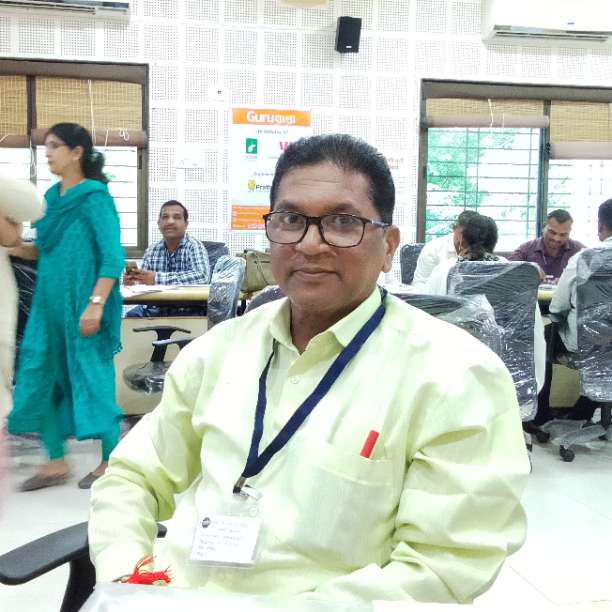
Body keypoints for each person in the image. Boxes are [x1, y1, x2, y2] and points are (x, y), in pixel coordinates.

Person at [89, 134, 529, 604]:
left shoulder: (457, 377)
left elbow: (440, 569)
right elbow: (131, 477)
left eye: (343, 222)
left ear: (388, 247)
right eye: (291, 220)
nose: (310, 244)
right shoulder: (219, 351)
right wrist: (129, 579)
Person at [8, 123, 125, 491]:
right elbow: (43, 251)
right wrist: (11, 244)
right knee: (39, 377)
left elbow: (113, 258)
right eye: (46, 146)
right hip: (47, 310)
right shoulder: (50, 199)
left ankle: (111, 462)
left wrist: (96, 305)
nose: (48, 153)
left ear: (77, 153)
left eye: (55, 146)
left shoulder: (95, 198)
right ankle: (56, 461)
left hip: (84, 307)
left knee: (93, 381)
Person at [425, 213, 546, 394]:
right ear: (494, 242)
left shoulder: (444, 271)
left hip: (455, 384)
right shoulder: (516, 273)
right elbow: (533, 332)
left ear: (461, 241)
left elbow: (425, 321)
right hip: (512, 382)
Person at [540, 199, 612, 422]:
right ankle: (585, 409)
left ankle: (541, 414)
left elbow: (557, 306)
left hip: (586, 344)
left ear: (601, 226)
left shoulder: (585, 257)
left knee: (543, 338)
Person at [124, 200, 210, 317]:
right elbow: (143, 283)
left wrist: (156, 278)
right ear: (159, 224)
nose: (170, 221)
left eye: (177, 217)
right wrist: (133, 281)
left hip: (189, 311)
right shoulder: (152, 250)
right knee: (130, 318)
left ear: (186, 224)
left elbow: (202, 276)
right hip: (156, 310)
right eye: (165, 217)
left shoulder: (194, 246)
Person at [509, 209, 585, 281]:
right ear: (543, 228)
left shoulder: (579, 251)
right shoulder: (526, 249)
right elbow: (507, 272)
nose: (556, 238)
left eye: (563, 235)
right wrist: (529, 268)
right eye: (552, 232)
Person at [411, 209, 479, 287]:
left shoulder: (481, 249)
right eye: (466, 234)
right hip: (436, 293)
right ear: (455, 229)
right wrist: (457, 263)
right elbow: (420, 286)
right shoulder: (433, 249)